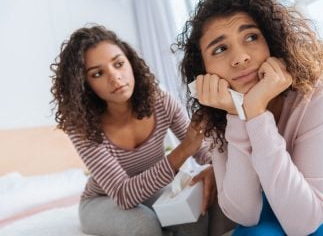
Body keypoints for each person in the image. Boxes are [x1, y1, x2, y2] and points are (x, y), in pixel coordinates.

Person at [175, 0, 323, 235]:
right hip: (279, 205)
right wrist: (237, 115)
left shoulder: (316, 87)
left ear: (271, 39)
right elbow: (244, 213)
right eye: (220, 49)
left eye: (251, 37)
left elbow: (305, 221)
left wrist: (256, 113)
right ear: (204, 70)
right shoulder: (218, 113)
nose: (240, 58)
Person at [50, 25, 226, 236]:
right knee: (143, 225)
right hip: (104, 200)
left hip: (154, 190)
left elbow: (203, 152)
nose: (115, 78)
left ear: (130, 63)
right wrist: (183, 151)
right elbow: (124, 195)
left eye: (119, 64)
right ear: (85, 85)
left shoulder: (160, 101)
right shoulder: (82, 127)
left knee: (195, 218)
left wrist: (215, 167)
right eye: (97, 73)